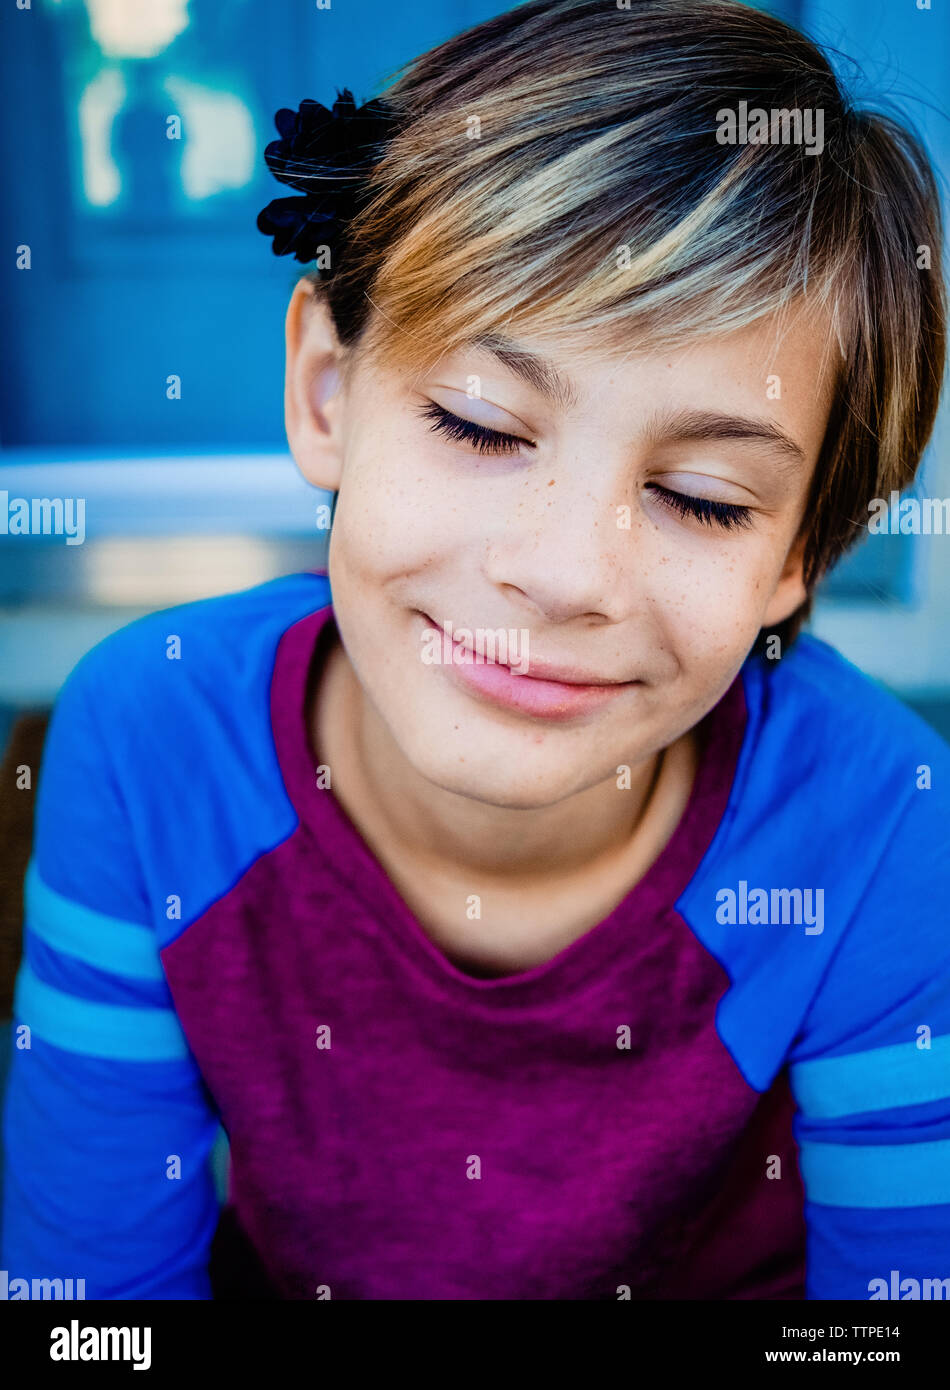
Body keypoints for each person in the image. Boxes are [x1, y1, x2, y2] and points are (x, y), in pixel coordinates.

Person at [3, 0, 948, 1300]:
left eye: (705, 500)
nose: (562, 574)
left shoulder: (880, 821)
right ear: (327, 392)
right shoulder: (148, 734)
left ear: (799, 554)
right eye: (480, 424)